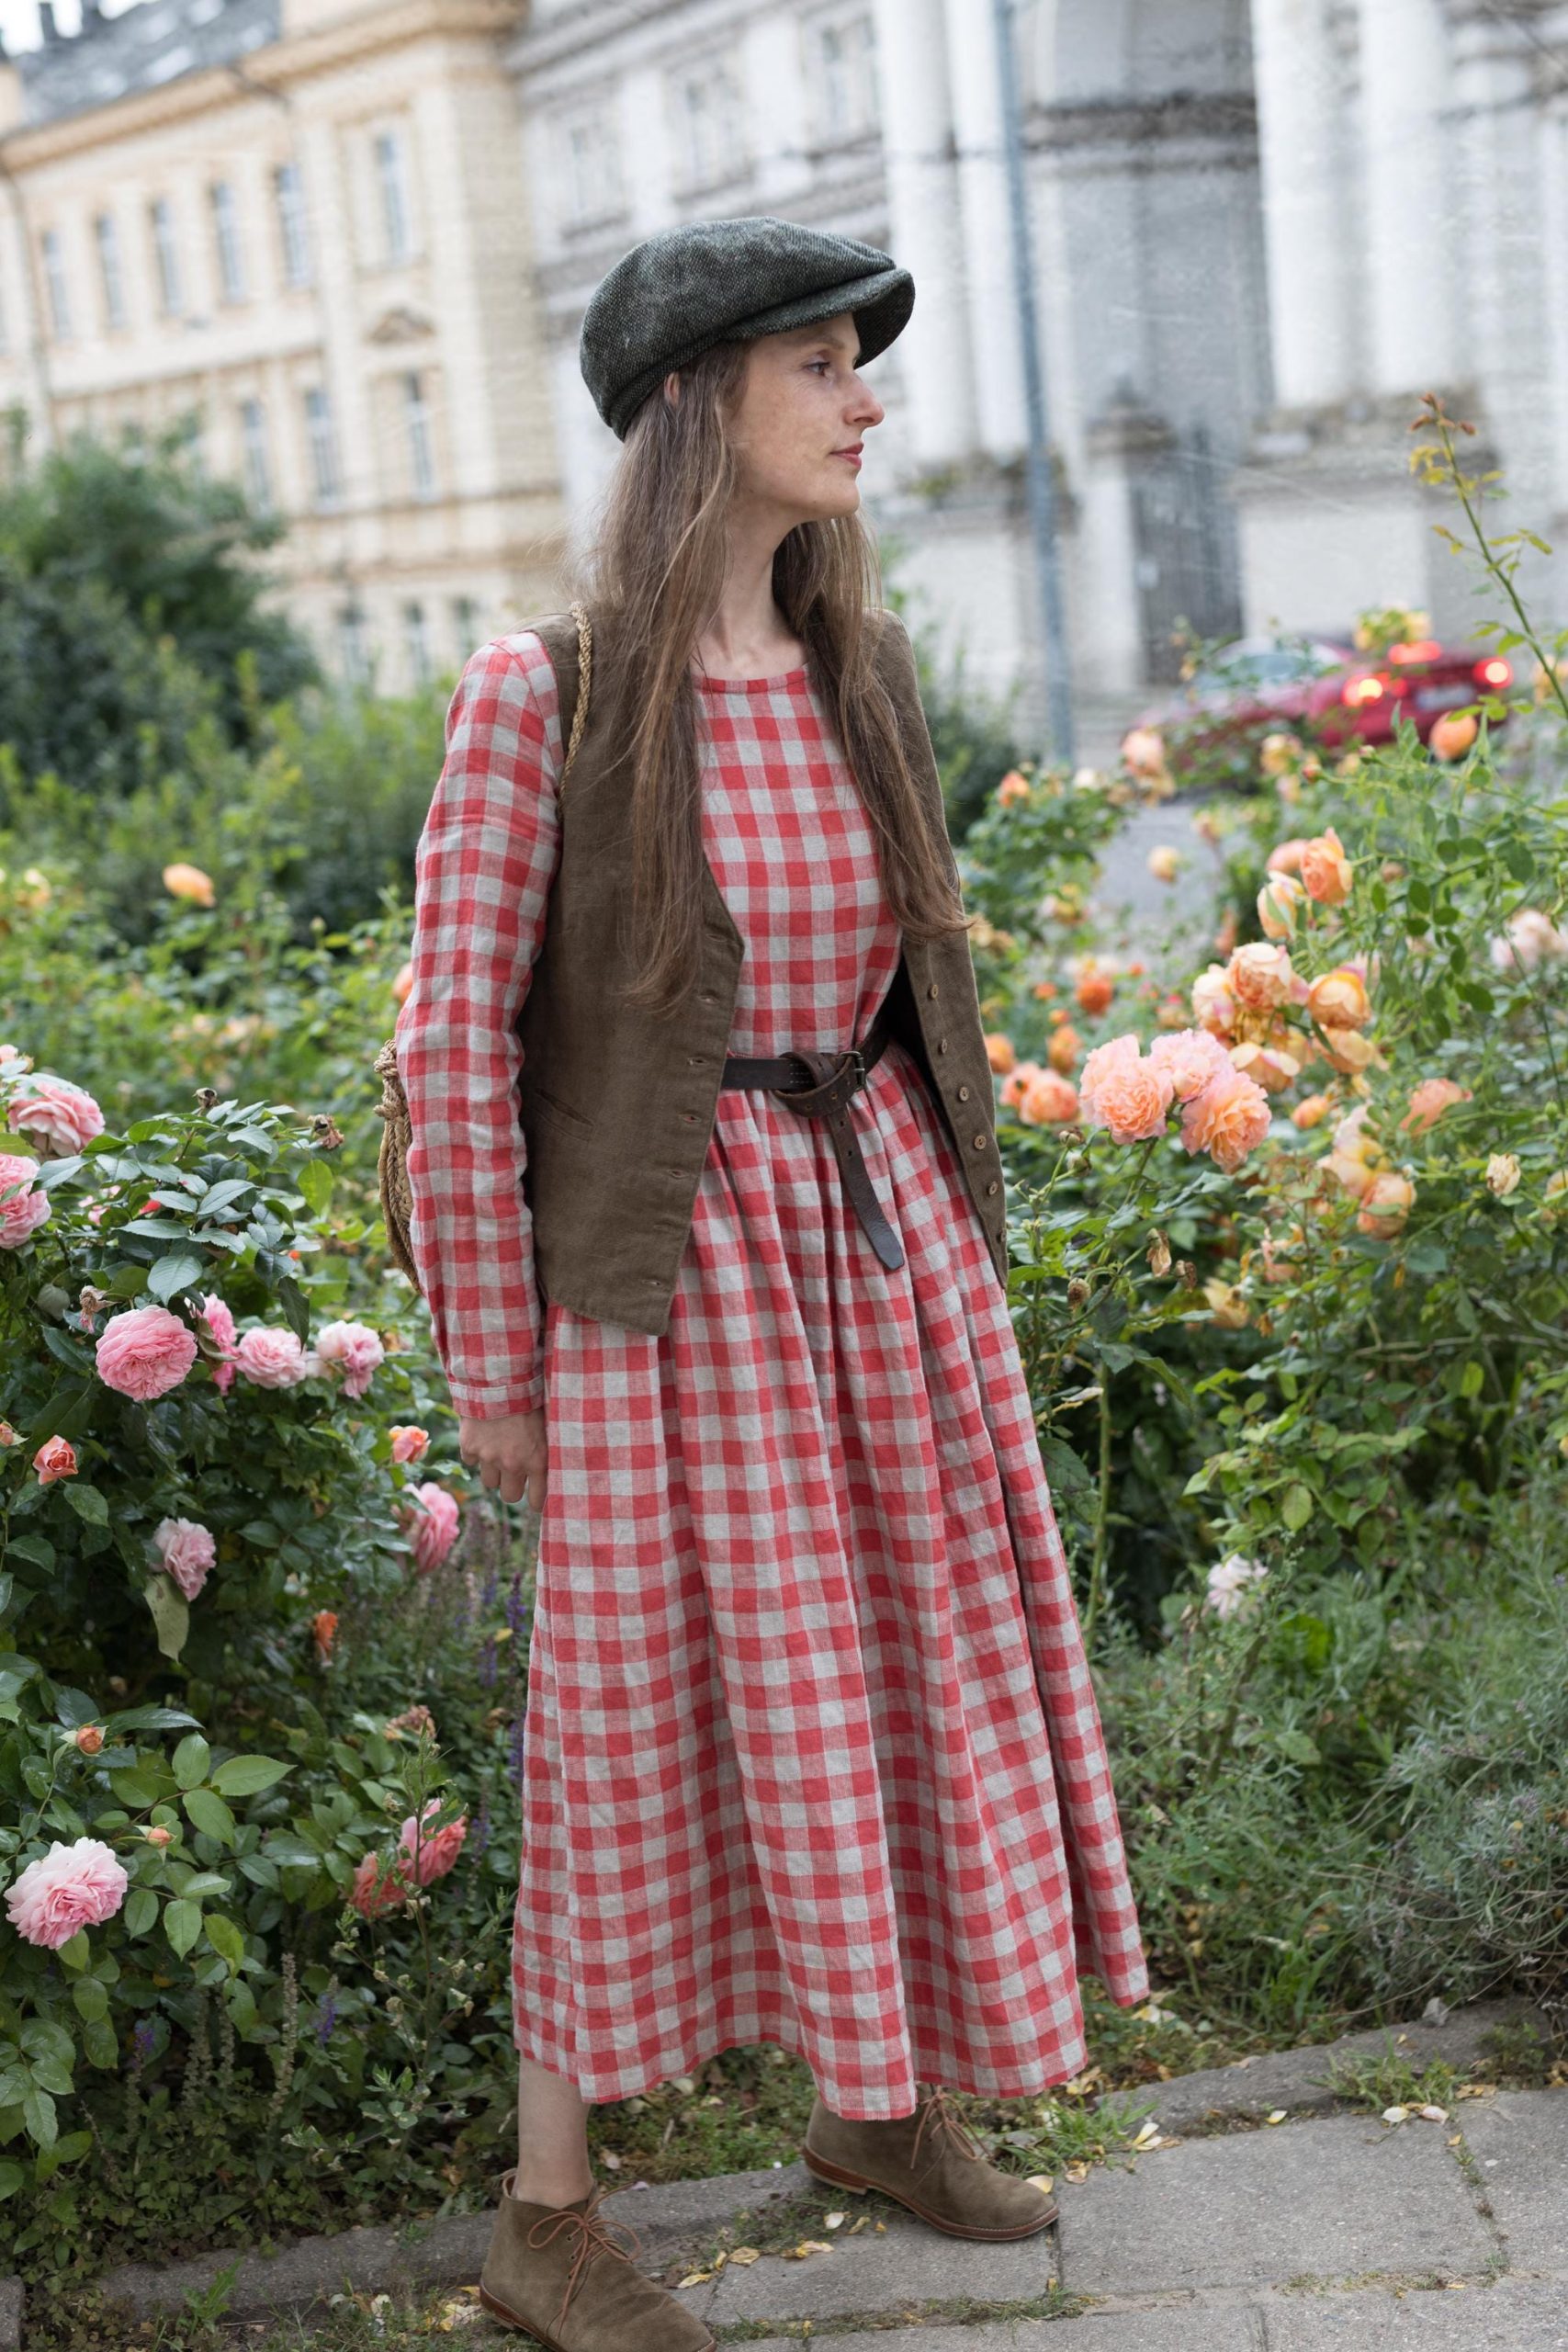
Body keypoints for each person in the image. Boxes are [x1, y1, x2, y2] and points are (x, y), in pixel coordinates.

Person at [397, 215, 1149, 2352]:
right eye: (820, 364)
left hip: (873, 1232)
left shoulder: (853, 668)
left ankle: (874, 2108)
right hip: (672, 1279)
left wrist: (949, 1253)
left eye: (855, 364)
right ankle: (546, 2211)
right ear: (693, 399)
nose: (862, 400)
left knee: (897, 1682)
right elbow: (451, 1041)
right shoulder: (541, 689)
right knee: (631, 1729)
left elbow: (908, 988)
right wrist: (494, 1350)